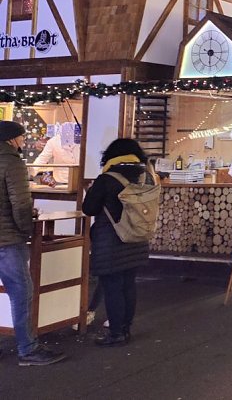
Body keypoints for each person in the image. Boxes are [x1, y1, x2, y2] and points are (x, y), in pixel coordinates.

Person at [0, 121, 66, 365]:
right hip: (7, 239)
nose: (24, 141)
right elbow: (20, 204)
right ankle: (27, 348)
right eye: (21, 137)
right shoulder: (12, 162)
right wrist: (27, 228)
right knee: (21, 292)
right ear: (11, 139)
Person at [82, 138, 152, 346]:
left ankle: (115, 333)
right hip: (137, 239)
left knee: (112, 286)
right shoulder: (146, 176)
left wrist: (91, 190)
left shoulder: (107, 178)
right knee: (128, 285)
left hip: (111, 242)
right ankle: (125, 329)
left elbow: (89, 208)